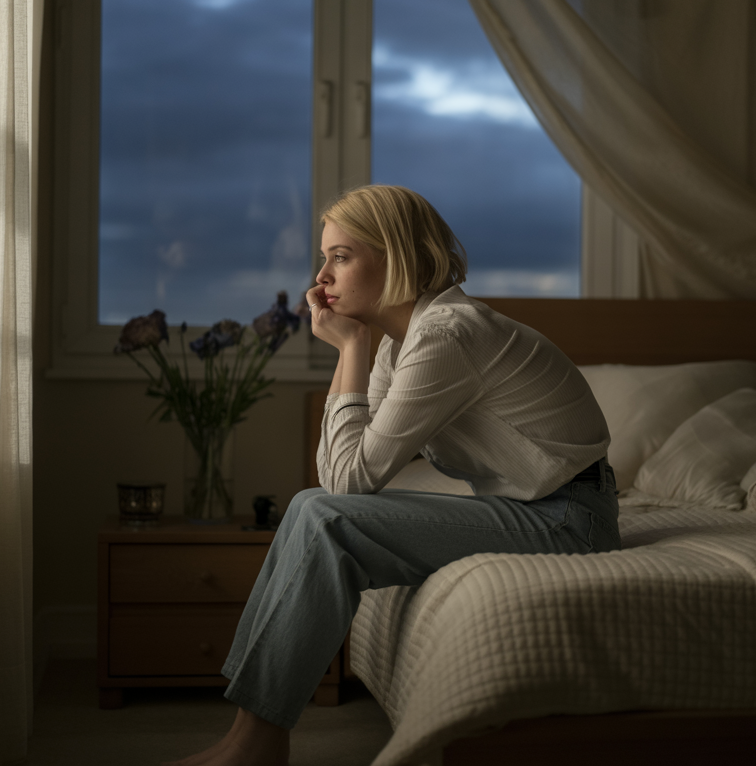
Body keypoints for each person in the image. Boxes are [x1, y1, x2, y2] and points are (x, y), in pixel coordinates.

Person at [166, 185, 618, 766]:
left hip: (571, 521)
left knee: (325, 517)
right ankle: (249, 736)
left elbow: (350, 487)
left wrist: (348, 349)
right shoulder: (401, 344)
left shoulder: (447, 334)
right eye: (324, 256)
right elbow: (336, 478)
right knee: (310, 507)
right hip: (536, 509)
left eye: (341, 256)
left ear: (397, 256)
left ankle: (257, 743)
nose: (320, 278)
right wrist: (357, 346)